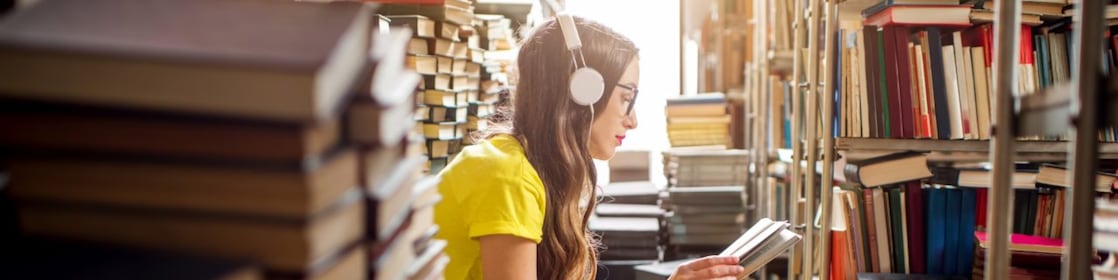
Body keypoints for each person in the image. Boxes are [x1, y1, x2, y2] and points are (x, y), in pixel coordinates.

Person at [433, 15, 745, 280]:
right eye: (626, 98)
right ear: (584, 91)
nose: (632, 120)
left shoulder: (532, 169)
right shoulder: (507, 177)